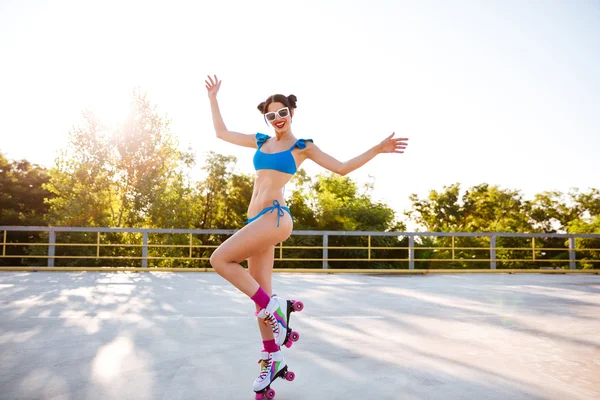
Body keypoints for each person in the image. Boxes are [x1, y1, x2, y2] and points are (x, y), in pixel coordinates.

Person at [205, 74, 408, 397]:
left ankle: (278, 307)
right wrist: (214, 98)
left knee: (219, 259)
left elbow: (342, 168)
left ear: (291, 112)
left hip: (275, 217)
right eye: (271, 116)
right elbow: (221, 132)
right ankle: (272, 355)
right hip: (256, 220)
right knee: (259, 294)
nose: (277, 120)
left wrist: (378, 149)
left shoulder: (303, 147)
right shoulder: (261, 141)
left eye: (281, 113)